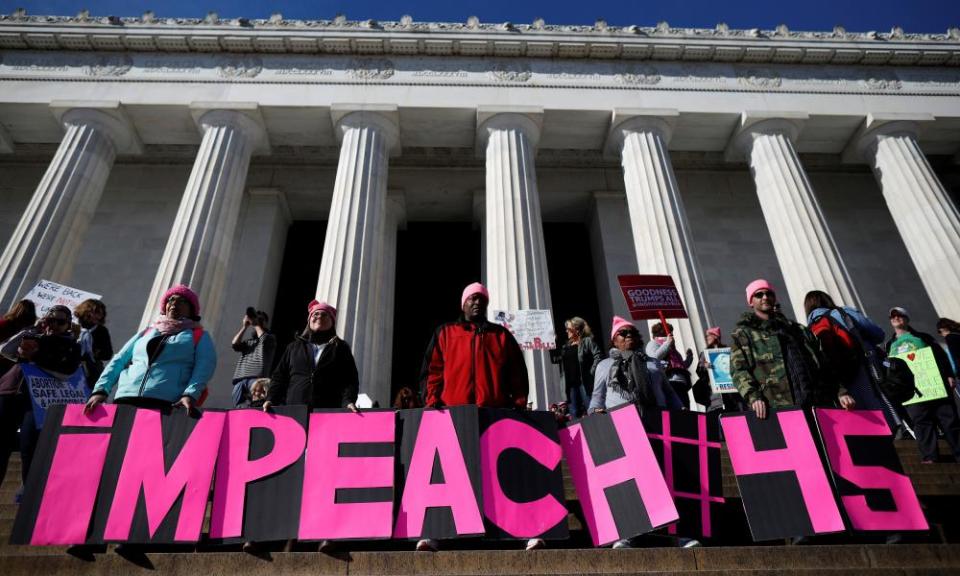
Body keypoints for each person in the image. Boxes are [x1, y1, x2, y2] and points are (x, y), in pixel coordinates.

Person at [418, 282, 532, 551]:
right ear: (463, 304)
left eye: (481, 299)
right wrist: (432, 400)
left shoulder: (501, 336)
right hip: (453, 412)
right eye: (472, 298)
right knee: (447, 475)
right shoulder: (445, 333)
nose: (477, 302)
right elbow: (433, 370)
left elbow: (516, 373)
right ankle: (436, 532)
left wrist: (517, 402)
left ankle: (520, 530)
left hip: (493, 412)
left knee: (501, 473)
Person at [589, 316, 689, 549]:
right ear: (614, 339)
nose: (629, 336)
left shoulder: (653, 364)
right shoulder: (605, 366)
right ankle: (627, 534)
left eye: (632, 332)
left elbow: (669, 393)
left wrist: (681, 411)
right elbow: (597, 396)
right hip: (623, 429)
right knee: (629, 482)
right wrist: (594, 413)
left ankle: (675, 533)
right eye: (623, 333)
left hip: (655, 426)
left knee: (665, 480)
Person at [730, 279, 855, 420]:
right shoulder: (743, 334)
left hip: (817, 404)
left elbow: (823, 363)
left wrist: (841, 392)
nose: (765, 297)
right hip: (778, 408)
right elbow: (739, 370)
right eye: (759, 295)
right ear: (751, 302)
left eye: (769, 293)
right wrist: (754, 397)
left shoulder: (798, 330)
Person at [85, 284, 216, 413]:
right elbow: (119, 360)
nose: (174, 303)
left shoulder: (199, 335)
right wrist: (100, 390)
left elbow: (204, 368)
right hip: (126, 398)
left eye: (182, 301)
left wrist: (190, 394)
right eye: (171, 300)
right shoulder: (147, 332)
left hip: (165, 402)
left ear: (191, 310)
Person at [0, 305, 81, 496]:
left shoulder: (71, 345)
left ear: (68, 325)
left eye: (60, 321)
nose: (54, 325)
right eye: (50, 320)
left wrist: (36, 356)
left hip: (36, 402)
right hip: (10, 392)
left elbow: (65, 372)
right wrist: (30, 331)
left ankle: (30, 495)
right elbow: (5, 350)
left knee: (29, 447)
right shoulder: (32, 335)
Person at [804, 290, 904, 432]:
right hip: (863, 363)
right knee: (877, 396)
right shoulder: (842, 312)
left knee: (856, 405)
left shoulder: (808, 327)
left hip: (837, 374)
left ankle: (875, 434)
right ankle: (895, 429)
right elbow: (877, 333)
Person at [887, 307, 960, 463]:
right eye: (892, 316)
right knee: (921, 423)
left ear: (907, 319)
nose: (896, 318)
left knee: (949, 420)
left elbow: (941, 356)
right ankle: (929, 456)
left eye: (900, 315)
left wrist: (949, 375)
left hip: (935, 385)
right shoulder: (890, 344)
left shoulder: (923, 337)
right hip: (911, 391)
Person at [263, 300, 358, 413]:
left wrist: (348, 401)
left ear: (332, 321)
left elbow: (350, 379)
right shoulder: (293, 347)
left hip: (327, 411)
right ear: (309, 320)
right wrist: (271, 399)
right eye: (315, 314)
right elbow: (279, 376)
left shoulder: (341, 348)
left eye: (324, 314)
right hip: (295, 409)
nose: (319, 316)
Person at [549, 316, 602, 419]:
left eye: (568, 329)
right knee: (574, 414)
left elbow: (598, 356)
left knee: (592, 410)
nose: (566, 331)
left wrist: (591, 372)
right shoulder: (566, 346)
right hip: (570, 386)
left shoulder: (587, 341)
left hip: (584, 383)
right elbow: (555, 359)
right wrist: (552, 343)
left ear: (576, 330)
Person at [230, 308, 276, 407]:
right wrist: (245, 327)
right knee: (237, 408)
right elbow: (234, 344)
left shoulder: (270, 338)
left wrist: (256, 324)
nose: (257, 321)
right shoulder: (248, 342)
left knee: (255, 406)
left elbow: (263, 339)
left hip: (257, 379)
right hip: (240, 380)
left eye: (261, 320)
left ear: (266, 323)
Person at [694, 327, 747, 413]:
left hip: (731, 395)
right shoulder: (705, 353)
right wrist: (704, 366)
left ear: (715, 336)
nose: (706, 338)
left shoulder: (728, 351)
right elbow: (699, 371)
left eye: (708, 335)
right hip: (714, 396)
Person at [646, 322, 694, 409]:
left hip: (681, 383)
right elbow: (654, 357)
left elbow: (680, 365)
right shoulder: (653, 344)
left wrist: (689, 358)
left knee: (686, 411)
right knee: (676, 411)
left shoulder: (672, 348)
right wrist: (667, 343)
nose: (671, 334)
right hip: (670, 382)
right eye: (669, 331)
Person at [74, 299, 113, 385]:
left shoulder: (101, 331)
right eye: (96, 312)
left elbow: (108, 354)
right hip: (73, 365)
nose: (98, 316)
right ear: (85, 311)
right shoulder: (73, 326)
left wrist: (95, 353)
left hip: (92, 368)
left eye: (101, 314)